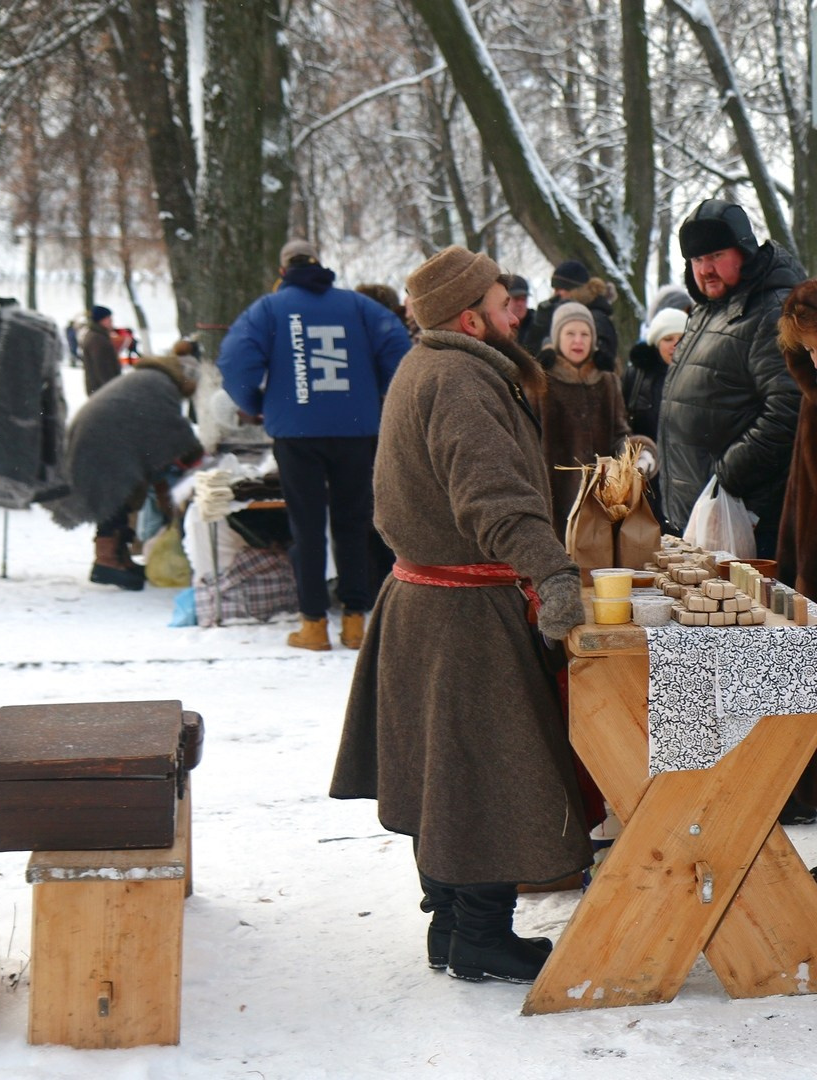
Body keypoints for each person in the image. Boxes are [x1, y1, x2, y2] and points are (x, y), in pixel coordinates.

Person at [329, 245, 594, 985]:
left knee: (445, 774)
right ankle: (478, 933)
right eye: (504, 300)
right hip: (462, 613)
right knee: (481, 774)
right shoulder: (458, 379)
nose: (518, 310)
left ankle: (451, 927)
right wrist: (552, 574)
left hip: (427, 602)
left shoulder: (433, 366)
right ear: (471, 316)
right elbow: (493, 498)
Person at [217, 238, 411, 651]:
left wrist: (255, 403)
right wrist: (378, 390)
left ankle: (314, 623)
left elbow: (235, 360)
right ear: (319, 265)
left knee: (305, 528)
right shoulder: (357, 307)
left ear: (283, 270)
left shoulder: (269, 309)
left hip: (296, 431)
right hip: (356, 429)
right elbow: (398, 346)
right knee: (353, 523)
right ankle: (355, 621)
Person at [657, 199, 805, 556]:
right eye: (696, 260)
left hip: (741, 515)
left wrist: (726, 477)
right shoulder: (709, 309)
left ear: (744, 251)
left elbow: (789, 409)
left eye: (716, 255)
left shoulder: (770, 310)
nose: (705, 269)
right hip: (701, 513)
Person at [48, 352, 203, 590]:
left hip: (99, 435)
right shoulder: (161, 384)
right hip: (103, 440)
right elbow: (171, 425)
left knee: (121, 493)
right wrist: (195, 452)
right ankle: (107, 562)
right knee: (114, 493)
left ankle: (118, 557)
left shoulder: (152, 377)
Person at [535, 301, 654, 540]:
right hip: (555, 499)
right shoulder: (540, 382)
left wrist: (638, 454)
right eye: (570, 333)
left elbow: (620, 434)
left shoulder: (607, 381)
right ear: (557, 337)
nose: (578, 340)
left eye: (585, 334)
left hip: (603, 501)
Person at [624, 307, 686, 529]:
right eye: (668, 338)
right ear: (656, 342)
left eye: (681, 338)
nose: (675, 345)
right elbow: (622, 422)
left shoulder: (699, 375)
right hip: (648, 476)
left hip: (686, 477)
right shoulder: (636, 377)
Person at [520, 259, 619, 371]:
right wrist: (540, 324)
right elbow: (528, 357)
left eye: (559, 289)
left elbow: (602, 362)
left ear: (575, 290)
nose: (555, 295)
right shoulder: (562, 314)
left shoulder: (596, 318)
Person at [79, 304, 121, 396]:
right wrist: (112, 390)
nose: (111, 322)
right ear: (101, 320)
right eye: (109, 319)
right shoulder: (97, 339)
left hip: (101, 390)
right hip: (102, 391)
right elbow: (102, 368)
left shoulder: (99, 336)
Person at [507, 274, 535, 344]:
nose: (520, 304)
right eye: (516, 299)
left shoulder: (536, 324)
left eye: (523, 299)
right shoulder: (497, 324)